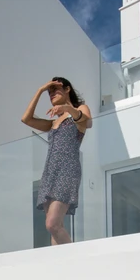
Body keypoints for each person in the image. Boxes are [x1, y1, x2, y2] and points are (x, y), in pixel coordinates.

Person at [21, 77, 92, 245]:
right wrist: (40, 90)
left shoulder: (79, 109)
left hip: (67, 170)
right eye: (49, 92)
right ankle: (59, 260)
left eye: (55, 90)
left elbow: (87, 122)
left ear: (67, 89)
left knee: (52, 224)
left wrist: (67, 108)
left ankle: (77, 258)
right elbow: (26, 119)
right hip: (50, 173)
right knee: (56, 226)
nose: (51, 94)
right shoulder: (53, 122)